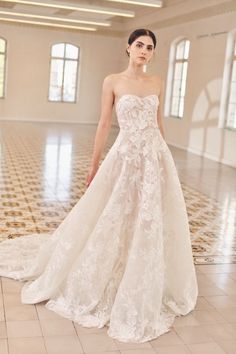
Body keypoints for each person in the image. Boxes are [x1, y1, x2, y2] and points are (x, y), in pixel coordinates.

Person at [0, 28, 198, 343]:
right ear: (128, 48)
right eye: (139, 45)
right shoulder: (113, 81)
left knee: (147, 218)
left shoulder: (157, 82)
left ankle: (140, 274)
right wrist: (94, 165)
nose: (144, 51)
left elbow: (159, 125)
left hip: (154, 156)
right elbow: (105, 123)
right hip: (124, 156)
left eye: (149, 47)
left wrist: (166, 160)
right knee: (115, 213)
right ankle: (109, 271)